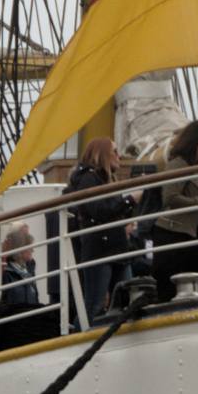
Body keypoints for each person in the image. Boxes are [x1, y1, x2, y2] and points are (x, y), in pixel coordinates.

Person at [65, 137, 139, 325]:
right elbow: (98, 210)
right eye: (114, 151)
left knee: (124, 299)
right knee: (96, 304)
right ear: (101, 153)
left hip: (114, 248)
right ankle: (83, 338)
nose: (119, 156)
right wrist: (130, 200)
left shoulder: (101, 179)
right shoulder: (89, 178)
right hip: (101, 249)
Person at [151, 119, 198, 301]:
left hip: (189, 237)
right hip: (172, 236)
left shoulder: (195, 168)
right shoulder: (178, 164)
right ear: (194, 144)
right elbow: (169, 198)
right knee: (169, 290)